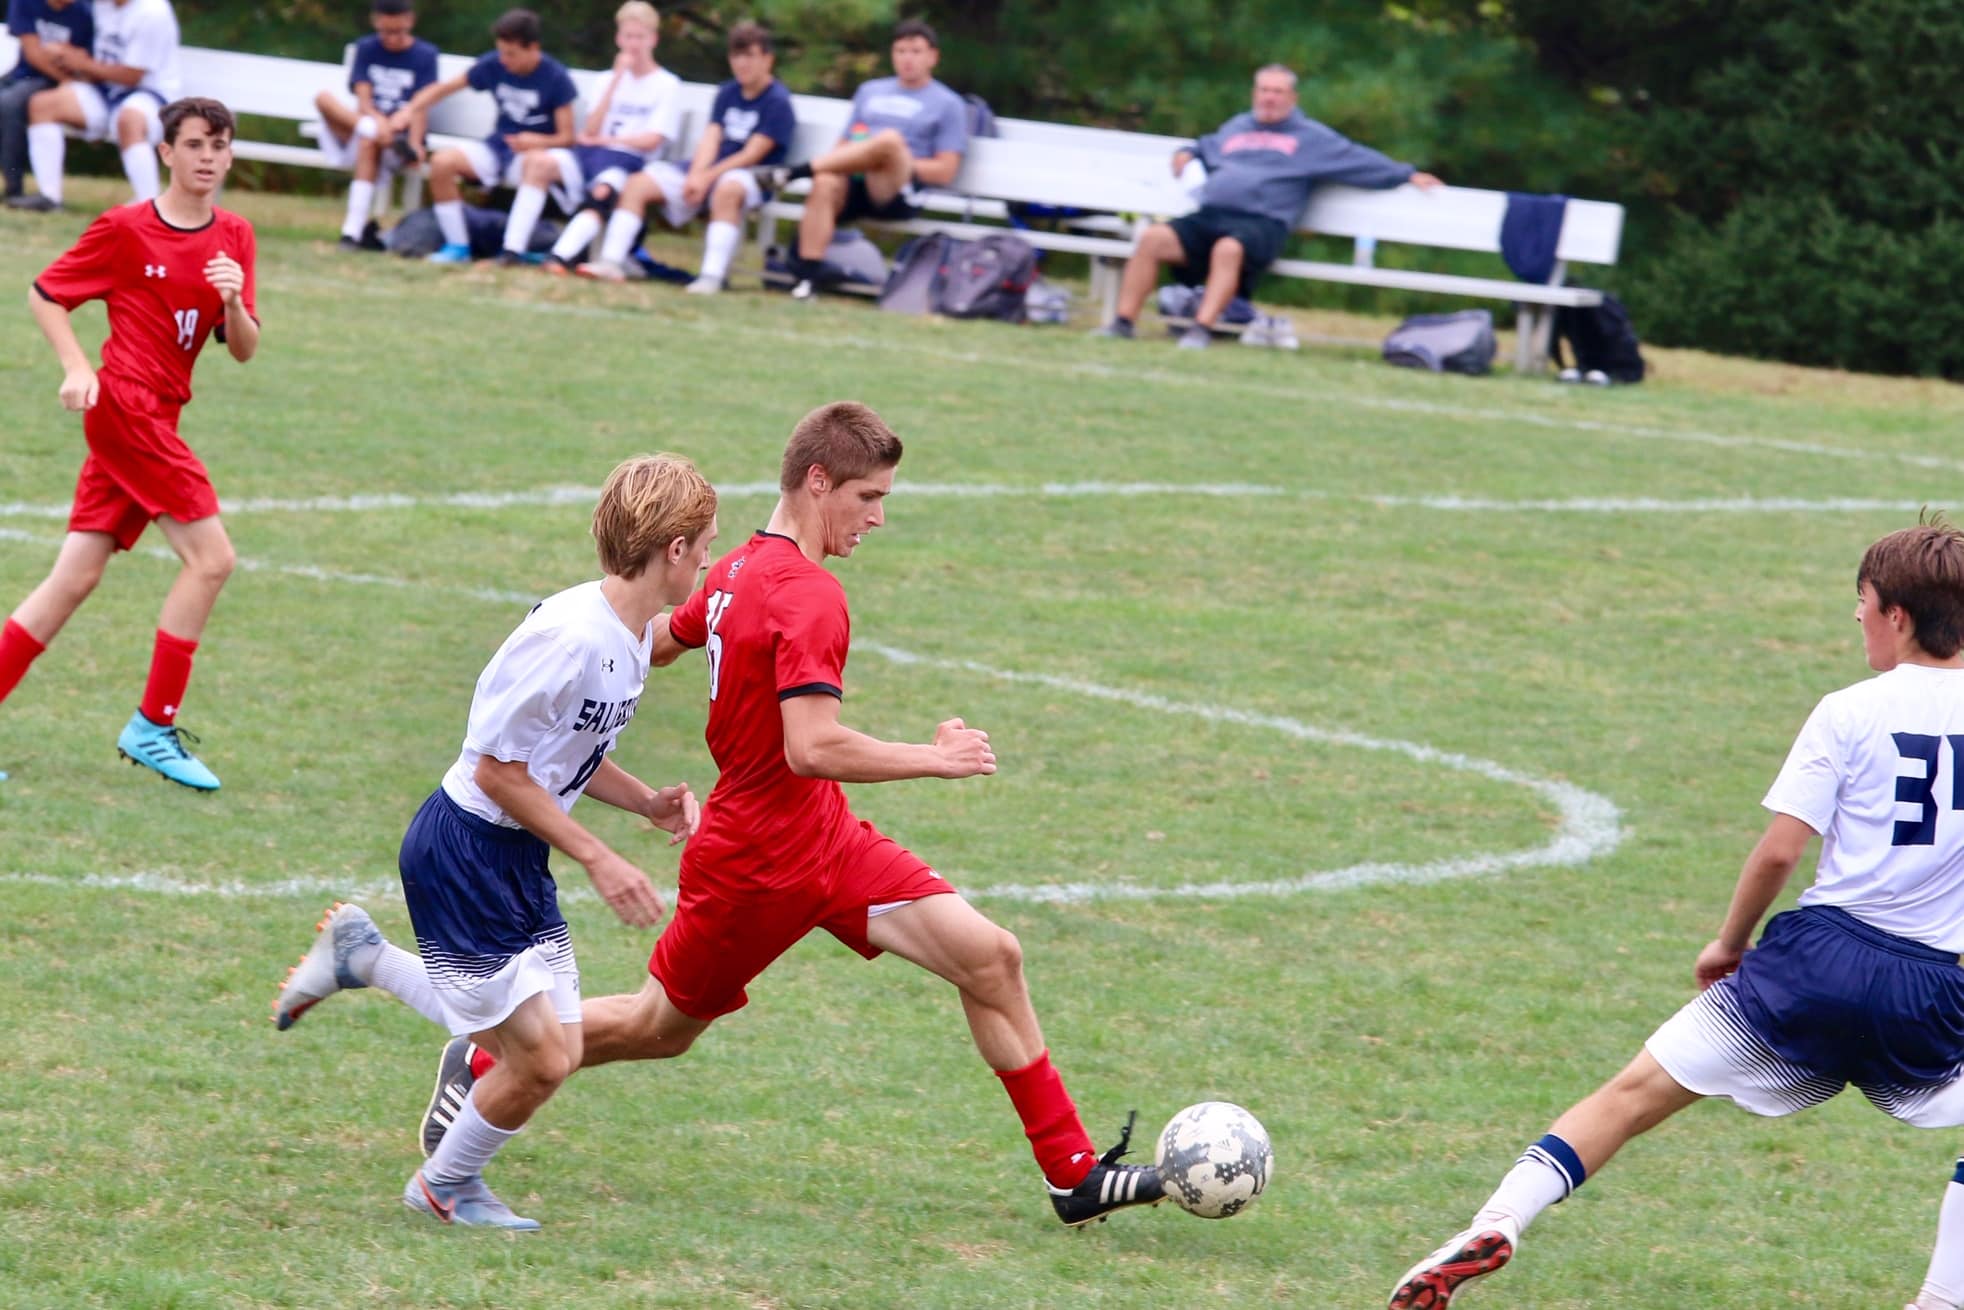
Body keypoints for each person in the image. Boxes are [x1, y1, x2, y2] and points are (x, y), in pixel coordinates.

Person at [285, 403, 1167, 1228]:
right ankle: (486, 1061)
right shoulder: (806, 593)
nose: (879, 517)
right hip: (755, 864)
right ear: (818, 482)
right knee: (654, 1030)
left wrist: (665, 716)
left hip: (827, 838)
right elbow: (809, 747)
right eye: (869, 497)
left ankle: (1072, 1173)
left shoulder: (740, 570)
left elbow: (669, 638)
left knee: (991, 956)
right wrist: (936, 757)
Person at [1389, 516, 1964, 1310]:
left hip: (1814, 963)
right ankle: (1942, 1298)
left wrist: (1727, 944)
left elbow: (1777, 853)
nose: (1858, 619)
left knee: (1629, 1097)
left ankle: (1497, 1222)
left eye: (1861, 603)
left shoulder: (1847, 710)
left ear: (1897, 614)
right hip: (1928, 991)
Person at [273, 454, 713, 1229]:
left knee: (557, 1048)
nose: (707, 561)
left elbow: (569, 751)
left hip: (513, 856)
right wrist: (597, 855)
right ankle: (443, 1187)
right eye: (704, 545)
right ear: (672, 549)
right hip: (465, 850)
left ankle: (361, 955)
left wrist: (643, 801)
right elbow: (500, 771)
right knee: (540, 1058)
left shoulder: (633, 634)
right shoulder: (568, 636)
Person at [1, 96, 257, 791]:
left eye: (220, 144)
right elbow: (46, 293)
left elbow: (242, 351)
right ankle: (153, 724)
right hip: (125, 409)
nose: (209, 156)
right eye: (196, 143)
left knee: (73, 578)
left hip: (160, 417)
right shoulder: (124, 229)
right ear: (166, 152)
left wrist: (233, 303)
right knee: (212, 559)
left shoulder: (235, 235)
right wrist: (77, 366)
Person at [1094, 64, 1441, 349]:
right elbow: (1206, 146)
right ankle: (1123, 323)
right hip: (1212, 214)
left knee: (1228, 249)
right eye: (1263, 90)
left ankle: (1201, 330)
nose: (1269, 98)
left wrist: (1406, 174)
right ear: (1254, 94)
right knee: (1153, 237)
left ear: (1292, 98)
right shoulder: (1237, 126)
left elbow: (1358, 160)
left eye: (1278, 92)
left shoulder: (1312, 138)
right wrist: (1188, 152)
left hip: (1262, 223)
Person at [569, 19, 793, 290]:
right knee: (637, 184)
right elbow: (711, 138)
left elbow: (753, 153)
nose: (742, 63)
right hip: (709, 171)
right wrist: (697, 173)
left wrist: (708, 176)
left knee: (728, 189)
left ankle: (711, 276)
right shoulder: (727, 92)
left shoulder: (777, 101)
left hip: (752, 176)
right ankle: (612, 261)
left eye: (749, 56)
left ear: (767, 59)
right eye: (736, 55)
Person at [757, 20, 966, 300]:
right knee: (826, 180)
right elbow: (841, 148)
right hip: (854, 181)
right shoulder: (870, 91)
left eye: (916, 51)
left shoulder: (948, 104)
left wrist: (885, 156)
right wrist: (865, 156)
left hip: (897, 187)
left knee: (890, 140)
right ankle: (806, 280)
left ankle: (793, 173)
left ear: (933, 57)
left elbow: (945, 171)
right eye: (900, 51)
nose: (907, 59)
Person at [401, 7, 577, 266]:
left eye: (511, 54)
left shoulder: (556, 77)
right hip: (500, 147)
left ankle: (511, 251)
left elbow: (568, 137)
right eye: (501, 51)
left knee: (535, 163)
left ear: (533, 48)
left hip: (536, 157)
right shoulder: (494, 64)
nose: (504, 60)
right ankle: (458, 247)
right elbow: (444, 89)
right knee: (442, 162)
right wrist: (409, 110)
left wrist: (539, 142)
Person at [524, 2, 680, 272]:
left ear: (653, 39)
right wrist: (617, 79)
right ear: (618, 38)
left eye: (640, 37)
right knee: (539, 163)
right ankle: (512, 249)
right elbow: (590, 130)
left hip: (630, 162)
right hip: (592, 155)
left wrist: (607, 143)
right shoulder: (606, 79)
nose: (633, 44)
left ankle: (562, 257)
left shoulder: (667, 85)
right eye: (628, 36)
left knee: (604, 190)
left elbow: (653, 140)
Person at [19, 0, 180, 210]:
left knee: (129, 119)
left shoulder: (153, 11)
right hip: (105, 91)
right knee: (43, 105)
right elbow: (91, 49)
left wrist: (83, 64)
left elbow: (132, 75)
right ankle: (49, 198)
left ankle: (149, 206)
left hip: (151, 96)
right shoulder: (103, 5)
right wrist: (66, 53)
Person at [312, 0, 438, 251]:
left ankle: (351, 233)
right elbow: (363, 98)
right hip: (366, 126)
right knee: (323, 99)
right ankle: (373, 131)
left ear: (409, 21)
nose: (391, 38)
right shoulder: (367, 48)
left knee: (370, 140)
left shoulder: (425, 55)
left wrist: (414, 143)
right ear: (375, 21)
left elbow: (421, 104)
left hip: (397, 136)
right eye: (386, 32)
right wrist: (376, 120)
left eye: (398, 32)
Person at [1, 0, 92, 206]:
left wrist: (69, 79)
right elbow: (33, 53)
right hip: (25, 74)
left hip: (55, 82)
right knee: (10, 100)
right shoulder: (26, 3)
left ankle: (14, 189)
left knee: (9, 105)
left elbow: (87, 57)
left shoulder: (86, 12)